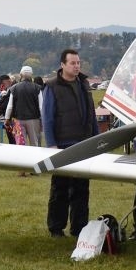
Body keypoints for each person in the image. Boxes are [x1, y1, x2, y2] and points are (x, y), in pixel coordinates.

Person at [42, 49, 98, 237]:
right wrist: (51, 145)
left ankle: (79, 227)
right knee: (60, 189)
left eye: (78, 63)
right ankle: (56, 228)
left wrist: (97, 141)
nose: (76, 66)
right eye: (73, 63)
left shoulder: (84, 84)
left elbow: (92, 115)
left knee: (82, 189)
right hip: (63, 145)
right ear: (62, 65)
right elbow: (47, 118)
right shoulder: (52, 86)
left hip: (84, 144)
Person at [5, 65, 43, 146]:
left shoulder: (14, 88)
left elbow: (10, 106)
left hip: (18, 120)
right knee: (34, 144)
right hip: (34, 120)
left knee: (20, 144)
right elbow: (41, 107)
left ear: (21, 75)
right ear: (31, 75)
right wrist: (43, 120)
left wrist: (7, 119)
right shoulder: (37, 88)